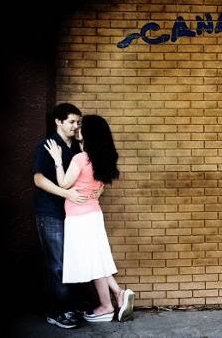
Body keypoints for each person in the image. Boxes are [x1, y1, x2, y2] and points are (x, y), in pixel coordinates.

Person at [44, 114, 135, 323]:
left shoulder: (80, 159)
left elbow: (64, 184)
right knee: (96, 257)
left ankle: (106, 306)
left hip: (78, 216)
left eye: (82, 127)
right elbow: (99, 188)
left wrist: (58, 162)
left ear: (90, 133)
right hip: (94, 214)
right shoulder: (103, 159)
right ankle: (118, 293)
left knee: (93, 261)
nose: (78, 129)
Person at [33, 103, 88, 329]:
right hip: (51, 213)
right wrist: (66, 193)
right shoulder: (47, 145)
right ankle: (57, 311)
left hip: (73, 214)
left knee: (73, 262)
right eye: (72, 122)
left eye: (78, 123)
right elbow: (38, 179)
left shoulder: (77, 148)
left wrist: (83, 142)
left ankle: (71, 307)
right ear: (58, 121)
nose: (76, 126)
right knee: (57, 264)